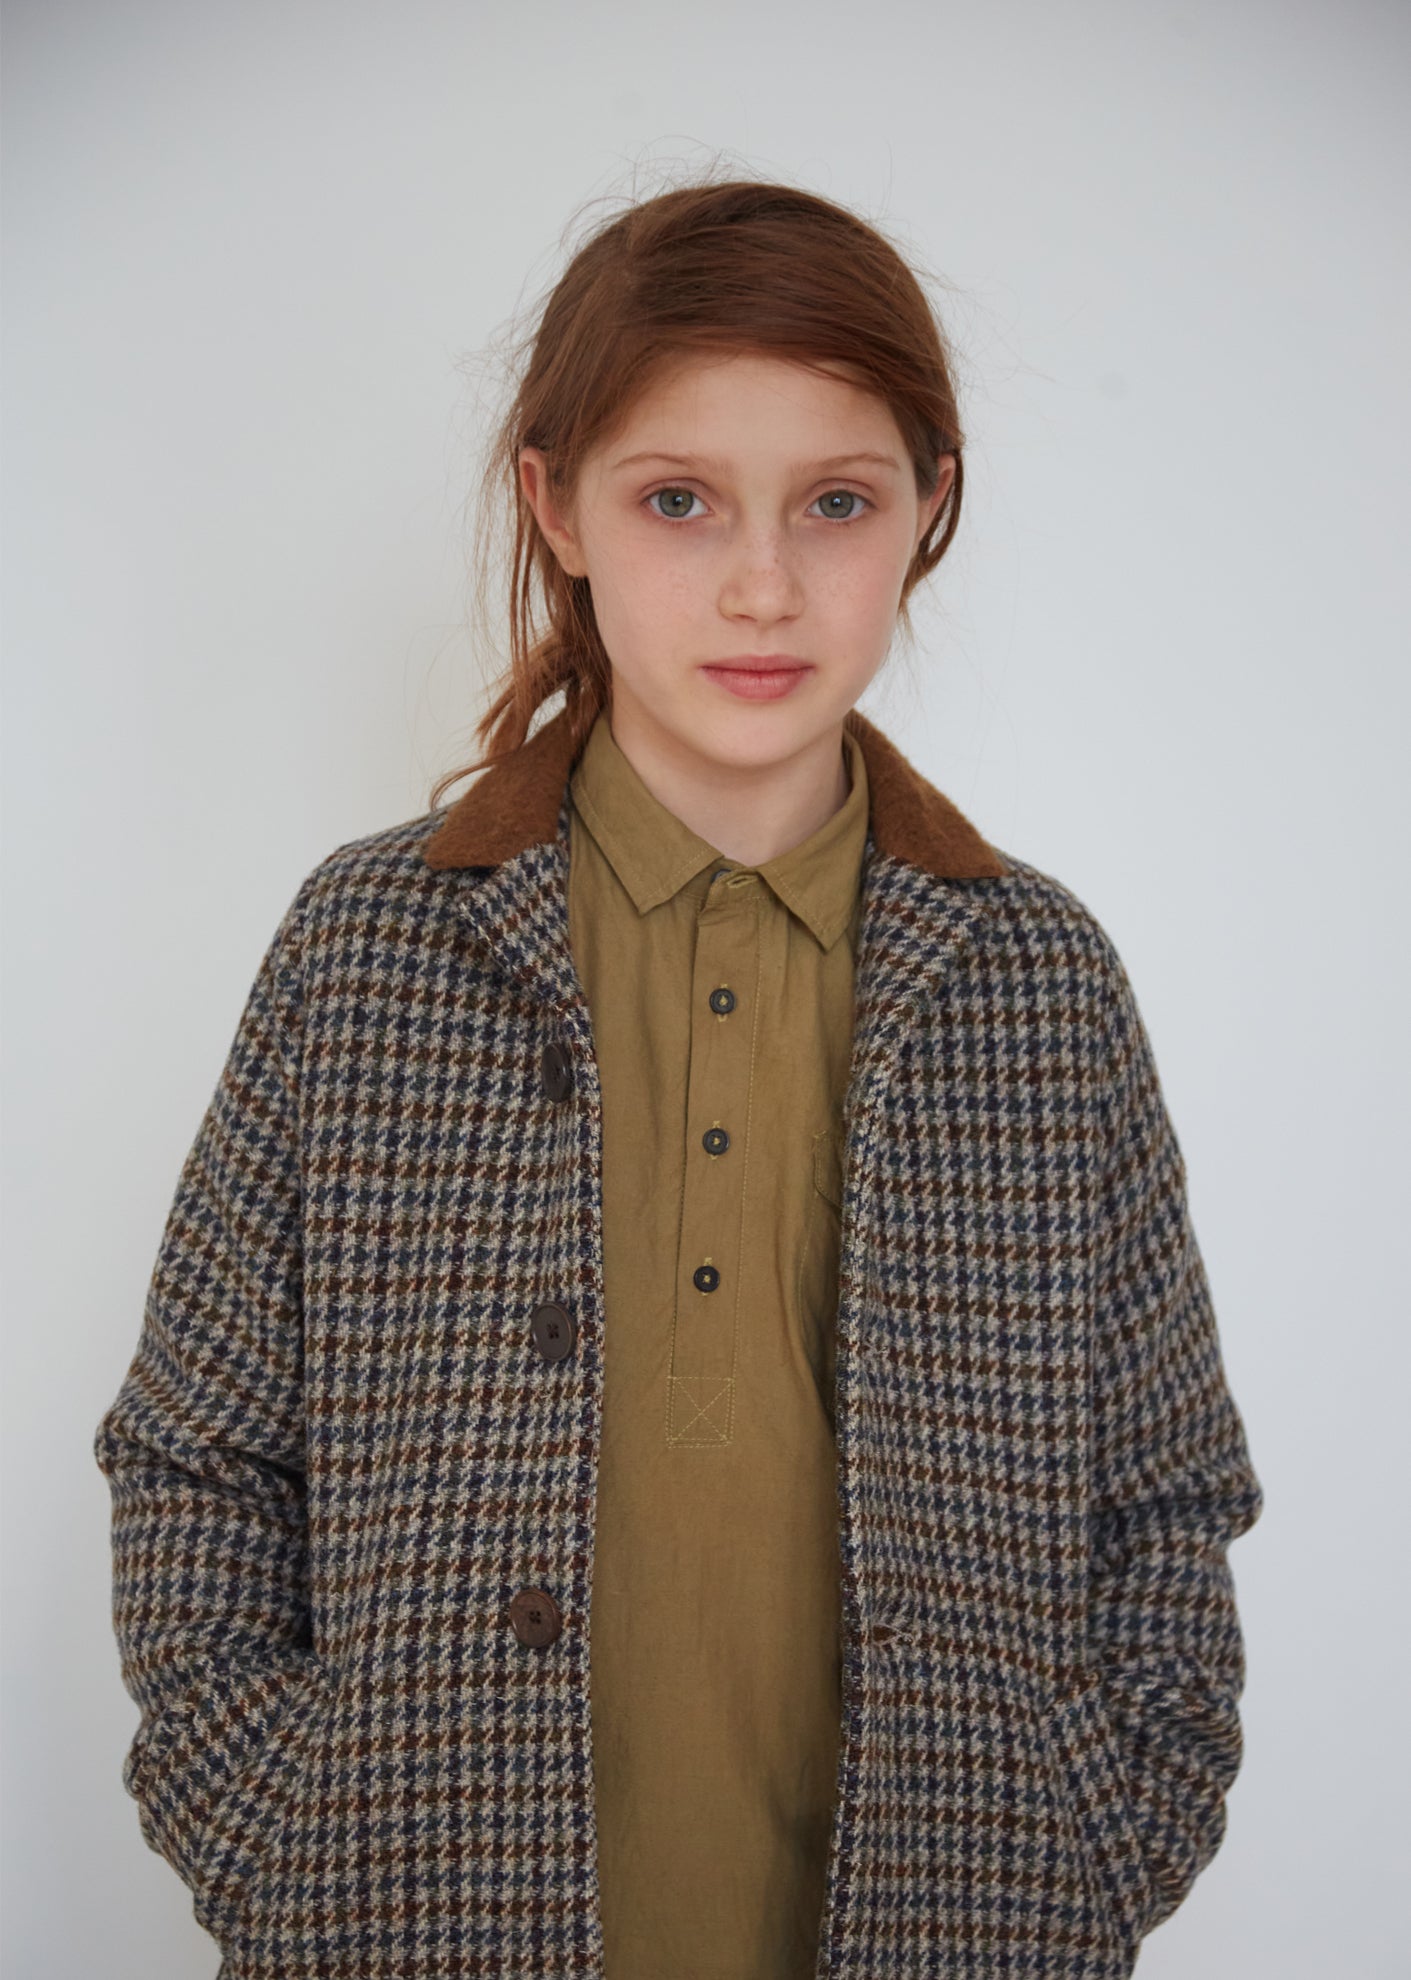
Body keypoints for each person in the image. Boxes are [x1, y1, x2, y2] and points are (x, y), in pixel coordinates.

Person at [94, 173, 1264, 1980]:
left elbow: (1164, 1497)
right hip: (419, 1923)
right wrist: (285, 1837)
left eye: (837, 502)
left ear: (930, 510)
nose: (761, 583)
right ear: (555, 505)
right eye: (678, 499)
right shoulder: (368, 954)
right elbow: (200, 1458)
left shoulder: (1040, 985)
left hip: (957, 1929)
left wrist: (1098, 1844)